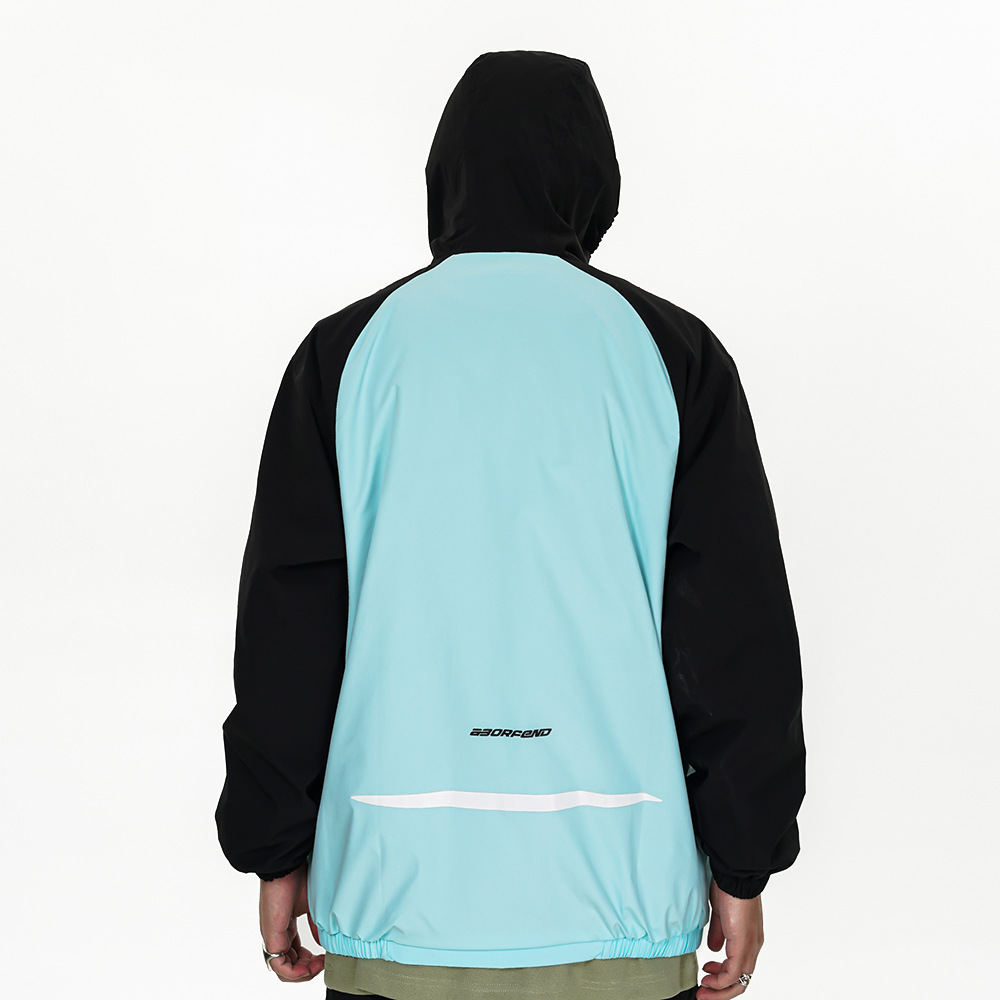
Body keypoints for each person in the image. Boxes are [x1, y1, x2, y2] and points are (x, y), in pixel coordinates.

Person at [215, 49, 806, 1000]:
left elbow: (289, 634)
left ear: (445, 175)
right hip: (621, 908)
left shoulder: (345, 355)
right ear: (595, 183)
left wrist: (274, 849)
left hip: (395, 903)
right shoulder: (674, 356)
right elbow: (735, 638)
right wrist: (745, 864)